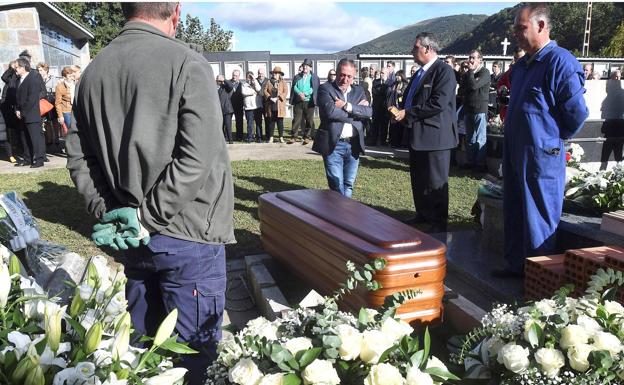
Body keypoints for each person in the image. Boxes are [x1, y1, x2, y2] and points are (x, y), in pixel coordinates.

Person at [65, 4, 235, 384]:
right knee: (194, 357)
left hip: (132, 236)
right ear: (175, 11)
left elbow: (79, 157)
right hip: (187, 233)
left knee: (144, 352)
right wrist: (142, 217)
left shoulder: (93, 72)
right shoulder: (187, 63)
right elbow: (197, 158)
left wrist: (110, 211)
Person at [494, 3, 588, 278]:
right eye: (515, 29)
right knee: (515, 209)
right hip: (515, 150)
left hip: (541, 155)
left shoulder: (560, 61)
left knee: (539, 217)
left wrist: (550, 139)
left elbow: (576, 112)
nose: (516, 34)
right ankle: (516, 266)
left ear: (541, 26)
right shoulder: (523, 66)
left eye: (521, 28)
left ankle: (540, 278)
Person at [394, 32, 458, 234]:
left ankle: (439, 223)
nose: (412, 52)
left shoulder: (444, 71)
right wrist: (398, 111)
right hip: (418, 135)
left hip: (436, 137)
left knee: (436, 181)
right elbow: (411, 99)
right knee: (419, 178)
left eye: (415, 48)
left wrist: (408, 112)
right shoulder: (420, 72)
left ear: (428, 49)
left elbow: (437, 103)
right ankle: (423, 214)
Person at [312, 58, 371, 198]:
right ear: (337, 73)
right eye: (342, 75)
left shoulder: (359, 91)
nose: (345, 79)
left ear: (354, 76)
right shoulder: (325, 89)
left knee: (348, 183)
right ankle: (338, 214)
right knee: (336, 185)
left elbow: (368, 113)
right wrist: (357, 112)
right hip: (333, 144)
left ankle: (345, 214)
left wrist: (347, 106)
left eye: (349, 76)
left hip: (354, 144)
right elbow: (330, 113)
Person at [461, 49, 490, 171]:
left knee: (480, 138)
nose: (471, 60)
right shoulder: (468, 74)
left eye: (473, 58)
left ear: (480, 60)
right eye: (470, 57)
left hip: (480, 110)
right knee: (470, 138)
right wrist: (469, 74)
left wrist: (471, 72)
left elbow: (473, 86)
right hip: (468, 109)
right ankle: (470, 161)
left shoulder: (485, 72)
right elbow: (462, 89)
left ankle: (480, 164)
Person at [15, 58, 46, 168]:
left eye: (17, 67)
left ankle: (39, 160)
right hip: (22, 114)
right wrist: (17, 110)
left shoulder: (32, 78)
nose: (15, 70)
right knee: (25, 138)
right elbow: (19, 98)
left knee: (35, 138)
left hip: (31, 114)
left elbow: (32, 98)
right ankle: (27, 159)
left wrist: (22, 111)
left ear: (23, 67)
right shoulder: (19, 79)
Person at [289, 58, 320, 145]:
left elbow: (314, 88)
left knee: (309, 120)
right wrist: (299, 93)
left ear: (310, 67)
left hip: (309, 102)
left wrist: (305, 94)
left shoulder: (314, 77)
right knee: (296, 120)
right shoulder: (297, 77)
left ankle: (307, 137)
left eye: (307, 66)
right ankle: (293, 137)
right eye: (304, 66)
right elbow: (294, 87)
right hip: (298, 101)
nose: (305, 67)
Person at [1, 60, 20, 163]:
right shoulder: (9, 76)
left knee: (17, 128)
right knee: (8, 129)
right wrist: (11, 68)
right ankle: (11, 151)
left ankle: (17, 146)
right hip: (7, 105)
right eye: (14, 66)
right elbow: (3, 77)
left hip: (16, 105)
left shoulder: (18, 76)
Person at [264, 66, 288, 143]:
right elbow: (265, 91)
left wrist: (278, 98)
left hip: (279, 104)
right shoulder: (269, 82)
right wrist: (270, 97)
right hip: (271, 104)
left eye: (276, 73)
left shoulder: (283, 82)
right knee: (271, 122)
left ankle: (281, 137)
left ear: (279, 74)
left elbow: (285, 92)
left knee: (280, 122)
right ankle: (271, 137)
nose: (274, 74)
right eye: (274, 73)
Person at [387, 69, 408, 148]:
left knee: (400, 125)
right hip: (394, 107)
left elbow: (404, 94)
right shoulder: (394, 84)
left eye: (398, 76)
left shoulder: (405, 84)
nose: (397, 77)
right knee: (393, 125)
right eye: (396, 76)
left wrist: (400, 92)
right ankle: (393, 142)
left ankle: (399, 142)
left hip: (401, 107)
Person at [370, 67, 390, 145]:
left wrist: (382, 90)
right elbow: (374, 92)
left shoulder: (390, 82)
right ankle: (373, 141)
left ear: (387, 74)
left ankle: (383, 141)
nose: (381, 74)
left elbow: (388, 95)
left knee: (384, 125)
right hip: (376, 107)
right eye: (381, 72)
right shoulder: (376, 82)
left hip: (385, 108)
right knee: (375, 125)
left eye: (383, 73)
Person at [241, 71, 261, 142]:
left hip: (257, 106)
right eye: (248, 77)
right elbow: (244, 93)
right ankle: (250, 137)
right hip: (248, 107)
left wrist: (254, 80)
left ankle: (259, 137)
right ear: (246, 77)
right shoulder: (244, 84)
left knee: (258, 123)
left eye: (250, 76)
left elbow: (258, 89)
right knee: (249, 124)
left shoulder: (256, 83)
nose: (249, 78)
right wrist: (253, 92)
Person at [216, 74, 234, 144]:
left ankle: (230, 140)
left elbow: (231, 86)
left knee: (228, 125)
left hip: (227, 109)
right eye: (218, 80)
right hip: (218, 110)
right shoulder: (214, 87)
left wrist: (224, 80)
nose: (218, 81)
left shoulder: (225, 87)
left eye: (219, 80)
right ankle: (222, 140)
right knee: (220, 126)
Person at [229, 69, 244, 141]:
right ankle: (228, 137)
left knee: (239, 122)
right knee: (228, 122)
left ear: (239, 76)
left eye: (236, 75)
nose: (234, 77)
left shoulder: (242, 84)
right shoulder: (228, 83)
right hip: (229, 105)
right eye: (233, 75)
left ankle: (239, 137)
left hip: (239, 106)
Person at [255, 68, 268, 141]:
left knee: (267, 121)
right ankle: (259, 137)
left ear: (264, 74)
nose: (260, 75)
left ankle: (267, 136)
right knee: (258, 121)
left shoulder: (268, 81)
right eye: (259, 73)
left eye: (262, 73)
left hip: (266, 104)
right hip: (257, 104)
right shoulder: (255, 80)